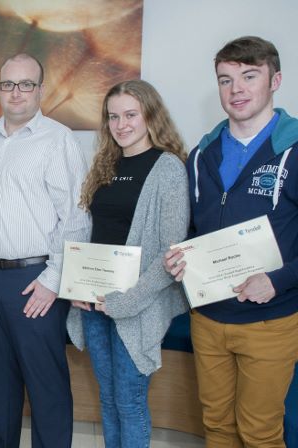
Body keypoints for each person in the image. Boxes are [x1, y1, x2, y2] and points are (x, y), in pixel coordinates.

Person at [164, 36, 298, 447]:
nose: (236, 89)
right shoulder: (202, 154)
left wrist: (278, 280)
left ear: (275, 80)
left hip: (269, 319)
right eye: (225, 80)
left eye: (249, 76)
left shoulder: (293, 149)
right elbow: (191, 230)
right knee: (217, 425)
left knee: (259, 432)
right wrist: (180, 257)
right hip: (208, 317)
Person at [0, 53, 91, 447]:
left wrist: (53, 281)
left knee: (46, 386)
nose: (16, 93)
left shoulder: (58, 139)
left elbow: (77, 218)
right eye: (8, 84)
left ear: (41, 90)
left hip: (35, 281)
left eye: (26, 84)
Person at [65, 79, 189, 447]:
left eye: (130, 115)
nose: (121, 125)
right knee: (108, 399)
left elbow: (171, 254)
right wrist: (75, 287)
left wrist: (128, 300)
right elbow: (89, 232)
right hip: (95, 304)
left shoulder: (168, 169)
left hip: (137, 306)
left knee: (130, 402)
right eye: (113, 116)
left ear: (151, 115)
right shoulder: (105, 163)